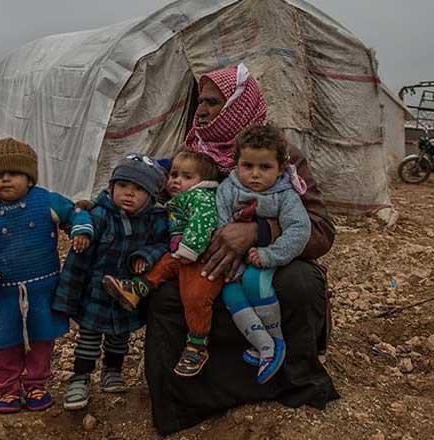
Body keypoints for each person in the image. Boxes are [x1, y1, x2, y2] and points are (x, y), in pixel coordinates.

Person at [143, 63, 338, 435]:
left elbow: (321, 232)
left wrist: (257, 231)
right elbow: (155, 204)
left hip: (263, 263)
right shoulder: (192, 155)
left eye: (214, 102)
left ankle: (290, 382)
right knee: (166, 294)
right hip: (207, 267)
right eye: (201, 102)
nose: (202, 111)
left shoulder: (280, 156)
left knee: (300, 282)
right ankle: (185, 398)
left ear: (238, 104)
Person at [0, 137, 93, 414]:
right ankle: (8, 389)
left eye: (14, 173)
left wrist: (81, 230)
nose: (5, 180)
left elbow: (75, 213)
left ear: (30, 178)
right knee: (6, 343)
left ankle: (36, 385)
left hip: (42, 291)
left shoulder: (46, 201)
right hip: (5, 294)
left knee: (41, 342)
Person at [52, 153, 169, 411]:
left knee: (120, 338)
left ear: (150, 195)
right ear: (112, 187)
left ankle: (112, 371)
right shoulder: (99, 217)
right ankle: (80, 379)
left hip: (126, 295)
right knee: (88, 339)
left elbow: (164, 245)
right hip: (95, 296)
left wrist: (146, 256)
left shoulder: (154, 220)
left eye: (138, 189)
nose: (129, 193)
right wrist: (66, 303)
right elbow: (77, 263)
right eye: (123, 186)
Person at [102, 150, 222, 377]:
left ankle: (197, 344)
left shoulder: (201, 197)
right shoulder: (177, 200)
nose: (176, 180)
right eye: (174, 174)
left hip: (199, 259)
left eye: (187, 177)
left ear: (204, 182)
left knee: (195, 297)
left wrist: (189, 249)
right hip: (181, 255)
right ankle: (138, 288)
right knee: (162, 265)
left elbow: (202, 223)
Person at [216, 123, 311, 385]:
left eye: (265, 167)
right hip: (237, 262)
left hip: (265, 259)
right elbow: (220, 225)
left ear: (281, 168)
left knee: (253, 282)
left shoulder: (284, 195)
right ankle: (263, 344)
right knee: (230, 291)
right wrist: (229, 262)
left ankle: (275, 341)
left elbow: (300, 229)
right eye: (248, 166)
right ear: (237, 165)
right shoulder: (228, 190)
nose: (255, 175)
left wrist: (270, 255)